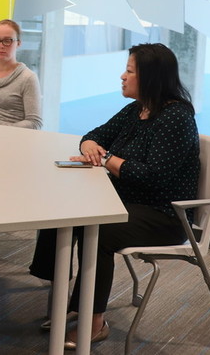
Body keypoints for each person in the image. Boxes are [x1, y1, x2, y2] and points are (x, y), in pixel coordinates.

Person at [29, 43, 199, 349]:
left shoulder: (176, 117)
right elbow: (93, 136)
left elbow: (153, 178)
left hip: (165, 215)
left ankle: (94, 323)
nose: (122, 76)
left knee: (99, 229)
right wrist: (91, 147)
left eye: (130, 71)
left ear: (151, 77)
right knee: (63, 210)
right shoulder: (137, 109)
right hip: (126, 201)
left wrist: (106, 158)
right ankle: (63, 300)